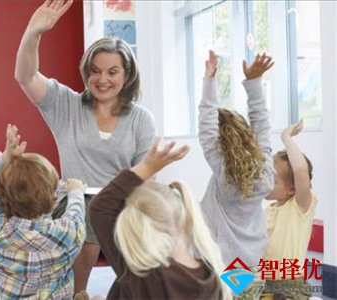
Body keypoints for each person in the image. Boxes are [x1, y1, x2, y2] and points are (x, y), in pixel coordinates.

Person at [15, 0, 156, 293]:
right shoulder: (66, 104)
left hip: (122, 203)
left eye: (112, 72)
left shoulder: (141, 119)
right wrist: (34, 31)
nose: (102, 79)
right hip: (75, 203)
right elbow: (25, 76)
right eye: (95, 71)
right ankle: (77, 293)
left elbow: (146, 176)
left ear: (127, 75)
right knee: (89, 214)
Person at [90, 138, 231, 299]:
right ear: (186, 220)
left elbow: (100, 208)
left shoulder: (140, 272)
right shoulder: (214, 279)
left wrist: (146, 168)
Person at [0, 124, 86, 299]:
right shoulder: (65, 233)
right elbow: (76, 217)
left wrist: (5, 158)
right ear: (53, 200)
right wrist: (76, 191)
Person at [198, 50, 275, 267]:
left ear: (221, 143)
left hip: (217, 257)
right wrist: (254, 82)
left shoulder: (224, 174)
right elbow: (261, 124)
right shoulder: (265, 170)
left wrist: (210, 81)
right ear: (246, 135)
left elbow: (207, 126)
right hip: (250, 258)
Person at [260, 120, 317, 300]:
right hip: (265, 282)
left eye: (273, 180)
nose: (265, 183)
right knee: (228, 284)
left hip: (290, 285)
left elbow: (300, 171)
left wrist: (286, 137)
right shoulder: (266, 211)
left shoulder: (300, 206)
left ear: (291, 189)